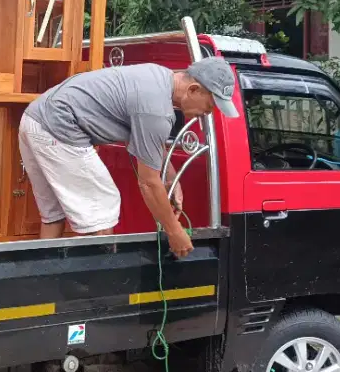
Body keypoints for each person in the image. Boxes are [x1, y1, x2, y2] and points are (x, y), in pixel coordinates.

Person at [18, 56, 240, 258]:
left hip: (34, 120)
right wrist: (175, 231)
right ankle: (97, 291)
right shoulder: (156, 109)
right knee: (102, 211)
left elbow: (151, 141)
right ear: (193, 90)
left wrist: (171, 179)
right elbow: (148, 183)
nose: (209, 113)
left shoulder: (158, 76)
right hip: (59, 128)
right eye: (210, 105)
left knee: (53, 213)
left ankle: (40, 277)